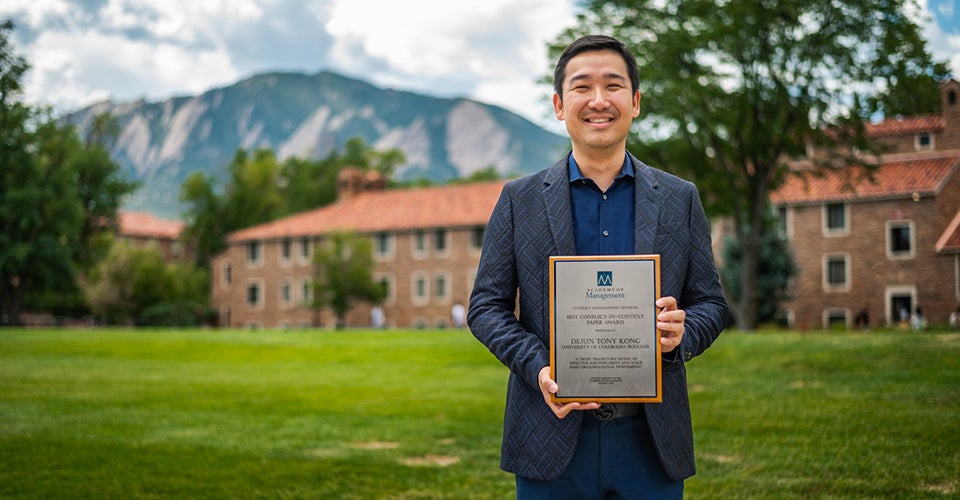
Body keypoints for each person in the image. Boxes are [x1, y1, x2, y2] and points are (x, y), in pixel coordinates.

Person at [467, 35, 729, 498]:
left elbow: (710, 303)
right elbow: (486, 307)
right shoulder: (519, 200)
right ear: (558, 104)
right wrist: (540, 367)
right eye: (582, 87)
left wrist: (681, 335)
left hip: (650, 442)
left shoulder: (678, 198)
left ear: (636, 101)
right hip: (548, 434)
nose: (599, 101)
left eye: (613, 85)